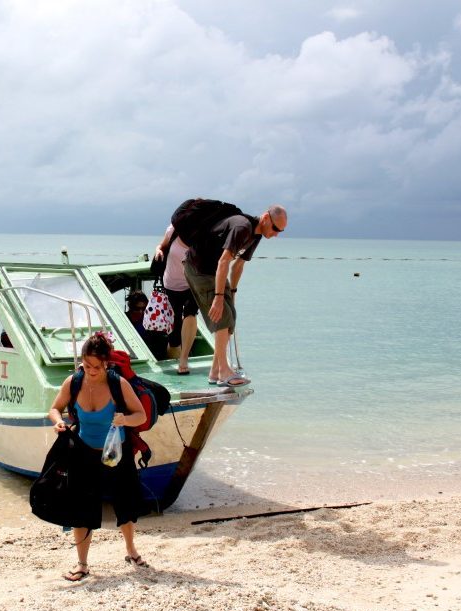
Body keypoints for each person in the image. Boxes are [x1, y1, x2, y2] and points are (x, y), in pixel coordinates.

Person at [47, 331, 149, 581]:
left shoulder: (118, 384)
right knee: (81, 508)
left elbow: (141, 416)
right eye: (86, 364)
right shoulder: (74, 382)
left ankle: (131, 550)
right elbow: (54, 408)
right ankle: (82, 564)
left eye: (96, 366)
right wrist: (59, 422)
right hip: (83, 452)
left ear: (106, 363)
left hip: (116, 453)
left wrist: (125, 419)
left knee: (123, 503)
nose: (91, 370)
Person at [183, 203, 288, 386]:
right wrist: (218, 297)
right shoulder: (242, 227)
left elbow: (238, 264)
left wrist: (232, 292)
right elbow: (224, 261)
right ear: (265, 218)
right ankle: (224, 371)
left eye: (281, 231)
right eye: (275, 228)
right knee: (221, 314)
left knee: (231, 316)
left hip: (214, 271)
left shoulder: (256, 235)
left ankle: (215, 371)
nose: (277, 233)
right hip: (199, 268)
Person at [152, 226, 197, 374]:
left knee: (190, 313)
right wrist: (158, 251)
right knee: (174, 334)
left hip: (193, 284)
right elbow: (162, 246)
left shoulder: (205, 233)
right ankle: (173, 356)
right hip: (171, 285)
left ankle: (183, 360)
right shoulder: (174, 230)